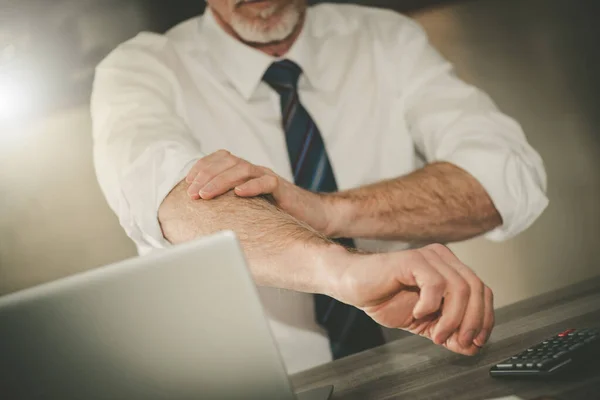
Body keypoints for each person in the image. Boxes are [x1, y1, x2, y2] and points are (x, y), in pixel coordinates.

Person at [91, 0, 548, 374]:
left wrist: (330, 212)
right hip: (250, 382)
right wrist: (344, 272)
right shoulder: (141, 69)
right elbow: (167, 197)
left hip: (422, 368)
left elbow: (507, 177)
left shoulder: (384, 37)